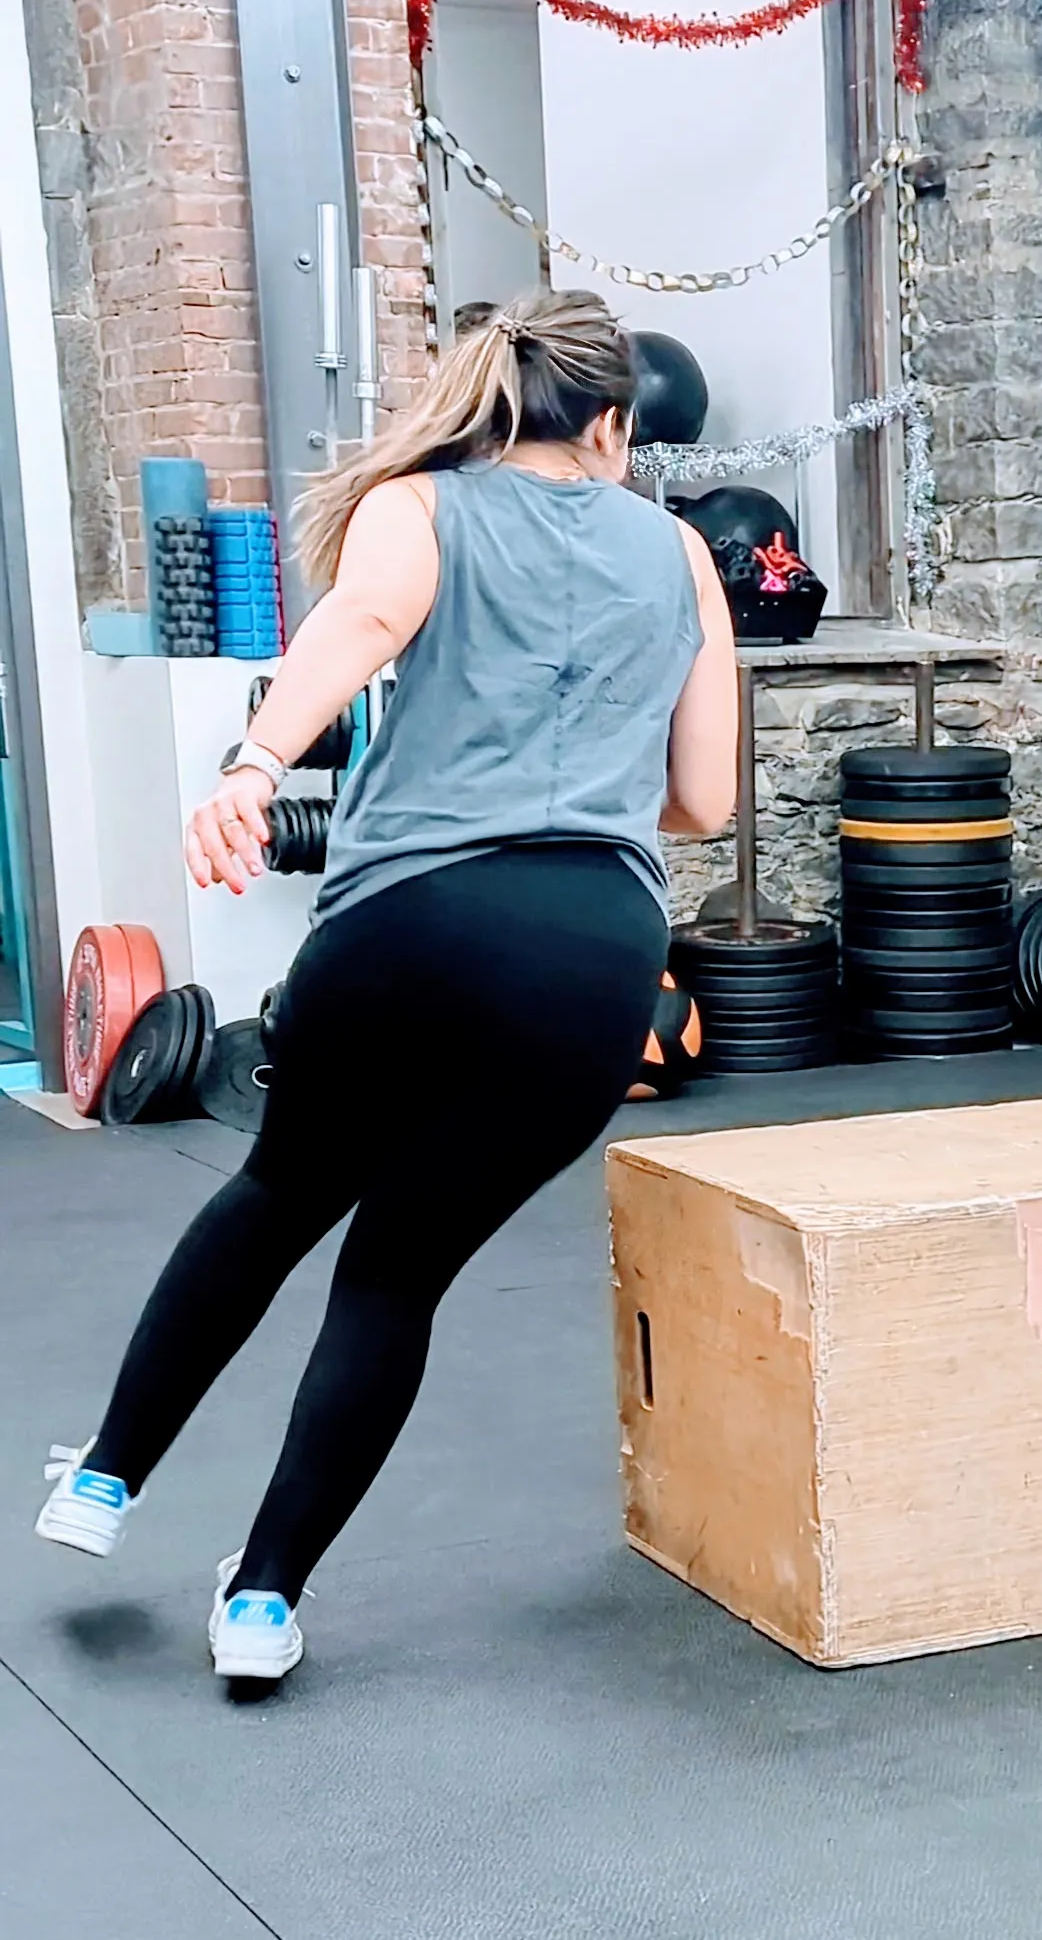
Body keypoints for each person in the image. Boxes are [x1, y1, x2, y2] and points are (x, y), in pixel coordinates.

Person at [36, 288, 739, 1679]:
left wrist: (251, 771)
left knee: (280, 1189)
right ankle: (263, 1604)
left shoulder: (420, 507)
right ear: (613, 422)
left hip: (405, 923)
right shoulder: (680, 557)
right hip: (593, 956)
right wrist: (572, 795)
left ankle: (107, 1478)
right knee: (395, 1278)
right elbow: (703, 801)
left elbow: (354, 633)